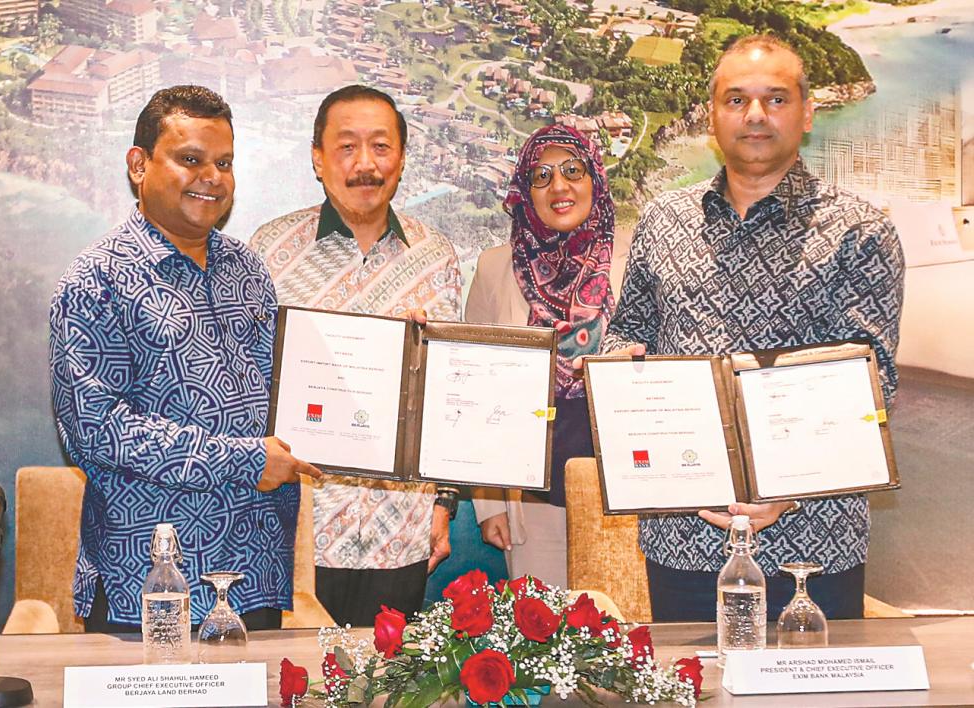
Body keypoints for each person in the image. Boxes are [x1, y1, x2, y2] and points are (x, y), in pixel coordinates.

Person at [600, 35, 905, 621]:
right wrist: (622, 377)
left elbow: (875, 385)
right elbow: (628, 331)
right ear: (713, 115)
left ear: (808, 112)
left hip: (814, 544)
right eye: (736, 99)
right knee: (696, 693)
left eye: (776, 98)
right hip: (682, 535)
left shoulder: (859, 230)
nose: (756, 115)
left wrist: (786, 488)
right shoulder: (665, 219)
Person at [50, 85, 320, 632]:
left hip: (252, 575)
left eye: (224, 162)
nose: (212, 177)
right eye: (190, 159)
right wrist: (246, 461)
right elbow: (98, 432)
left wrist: (397, 373)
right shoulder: (95, 280)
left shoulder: (247, 269)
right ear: (138, 164)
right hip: (150, 585)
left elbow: (288, 391)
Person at [249, 85, 461, 626]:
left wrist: (444, 505)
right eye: (346, 147)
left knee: (387, 686)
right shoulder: (267, 251)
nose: (365, 164)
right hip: (296, 529)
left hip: (401, 531)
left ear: (402, 158)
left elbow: (449, 396)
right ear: (317, 158)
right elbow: (245, 385)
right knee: (297, 689)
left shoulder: (436, 257)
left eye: (381, 147)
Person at [466, 124, 630, 587]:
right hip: (531, 491)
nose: (560, 187)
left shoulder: (631, 256)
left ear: (595, 179)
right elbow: (475, 388)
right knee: (544, 631)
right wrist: (490, 501)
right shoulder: (494, 267)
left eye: (573, 171)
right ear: (524, 191)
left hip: (619, 488)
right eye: (541, 176)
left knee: (624, 628)